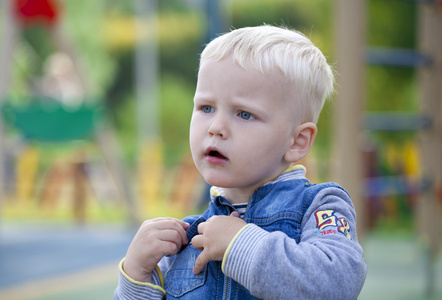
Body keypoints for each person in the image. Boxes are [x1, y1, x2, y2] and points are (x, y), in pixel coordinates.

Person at [114, 24, 367, 300]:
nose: (216, 127)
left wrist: (240, 245)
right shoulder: (182, 239)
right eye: (206, 108)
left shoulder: (318, 207)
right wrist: (136, 276)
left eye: (244, 114)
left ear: (297, 141)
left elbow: (340, 283)